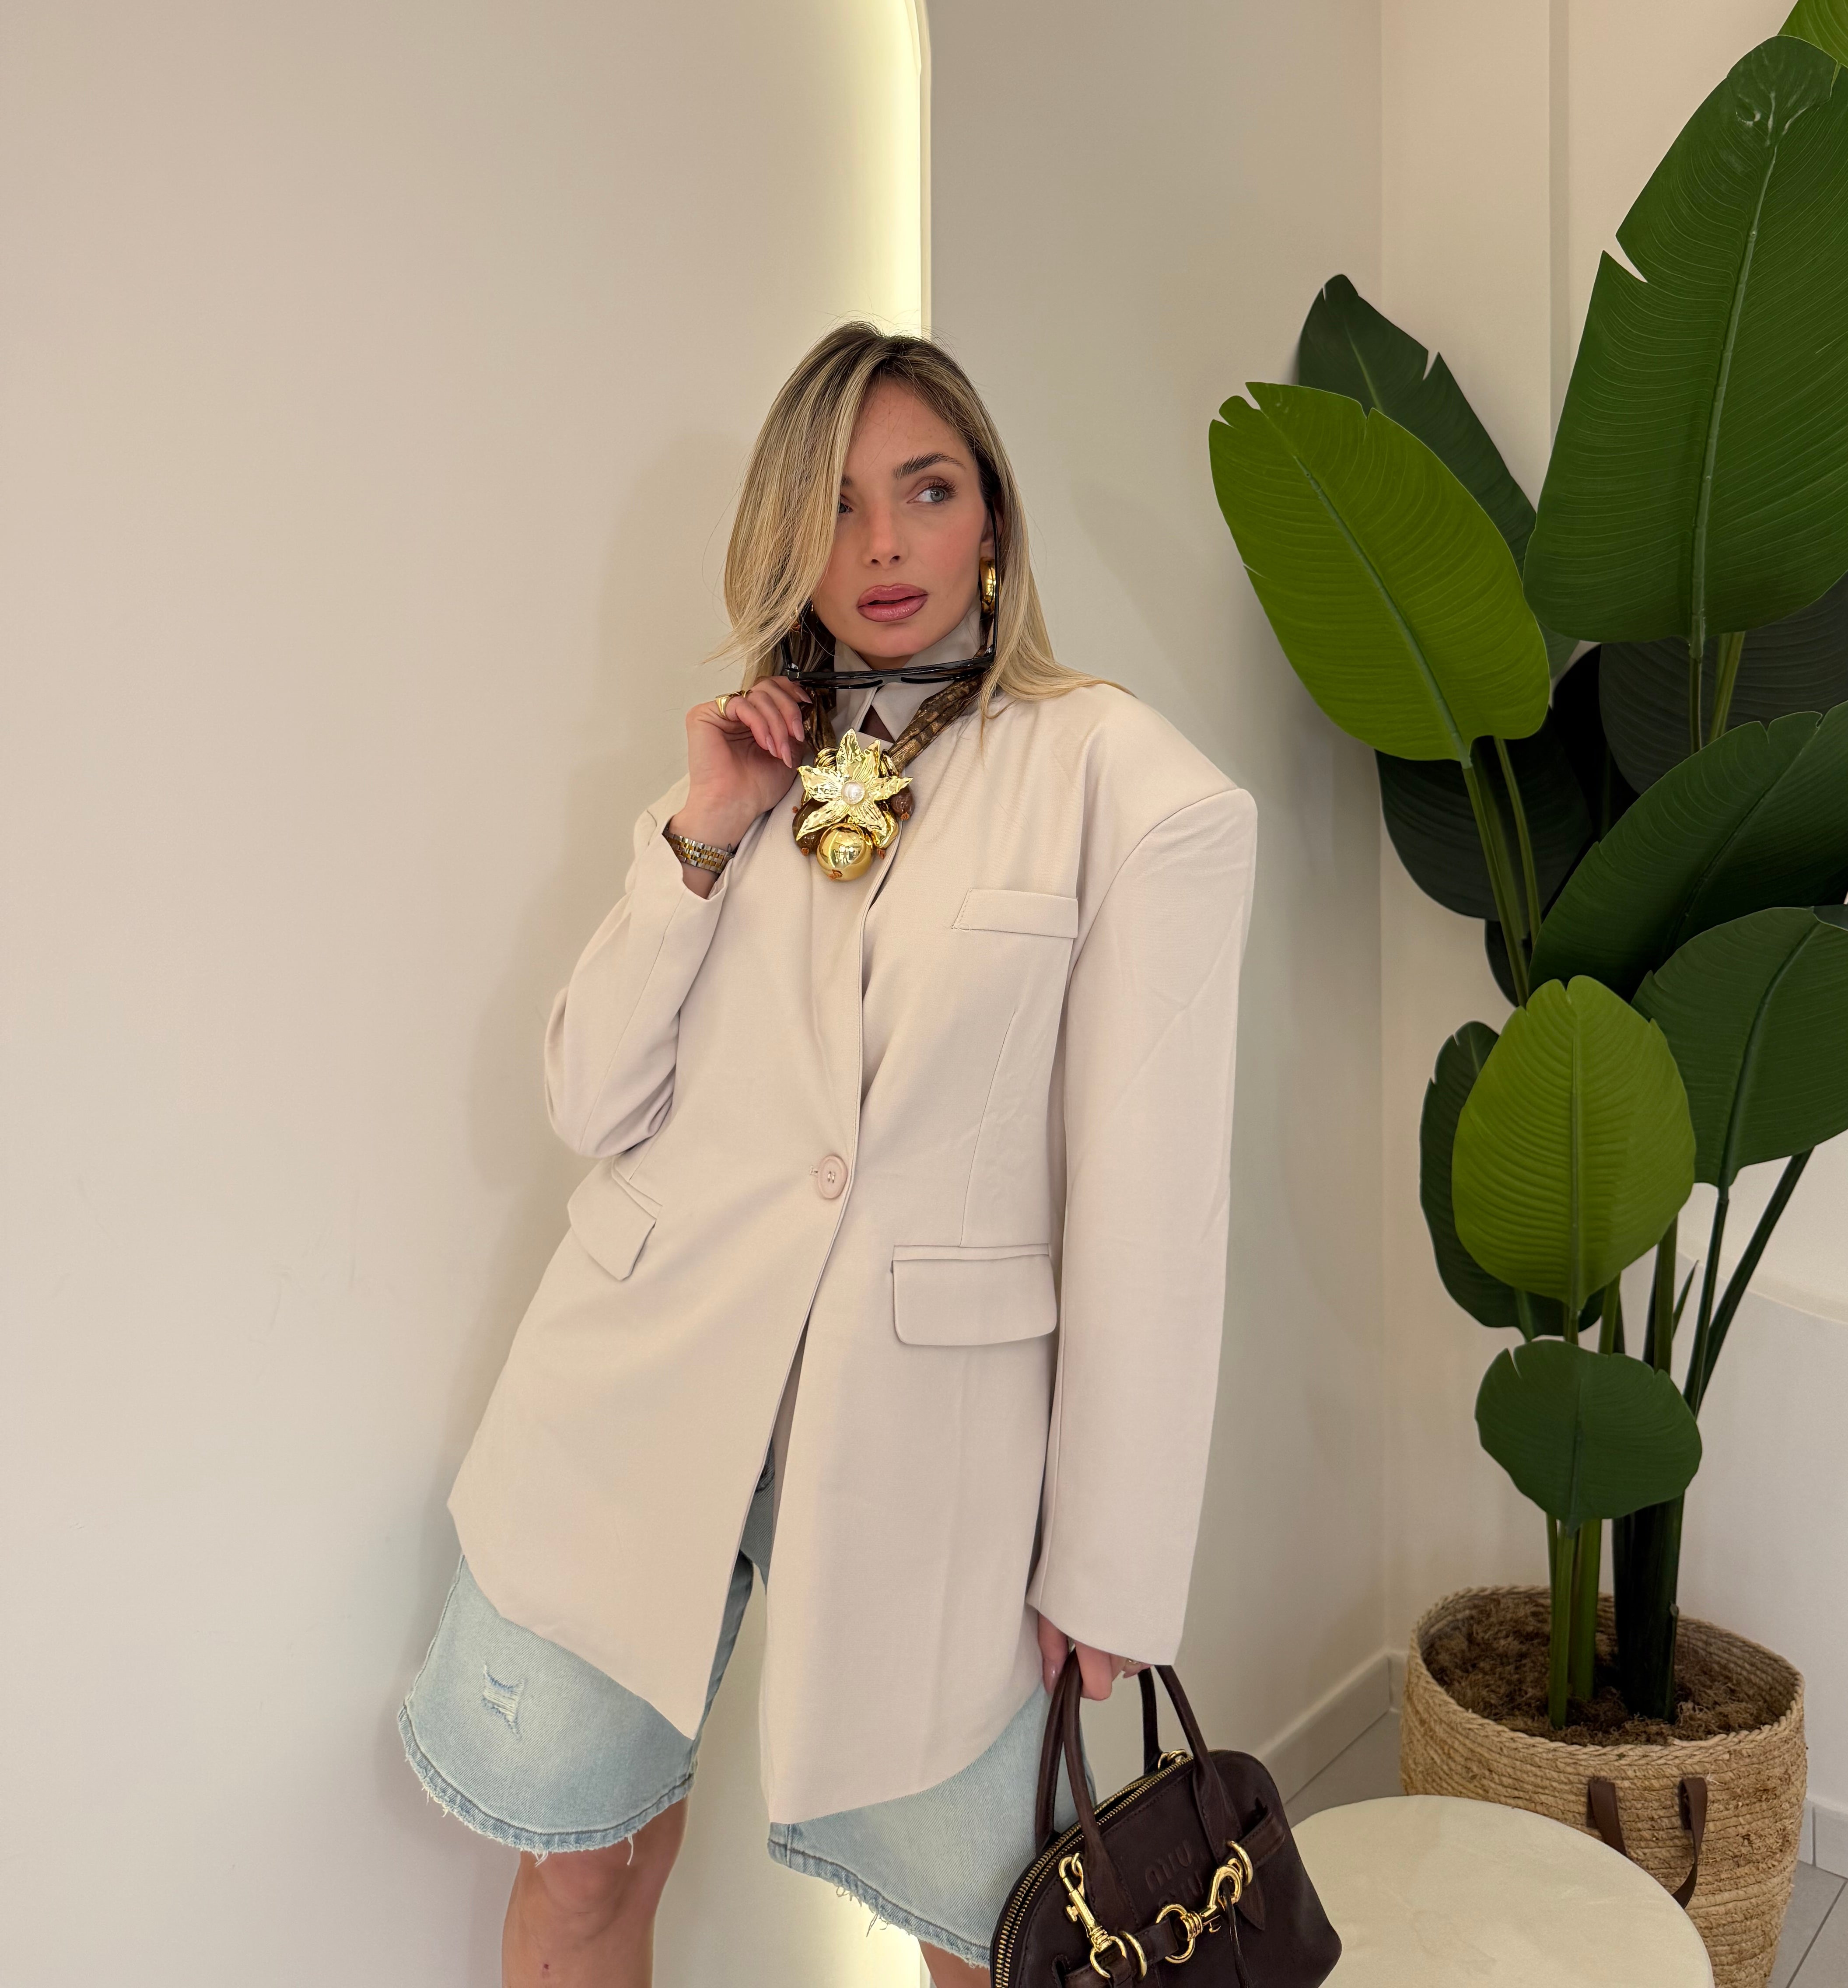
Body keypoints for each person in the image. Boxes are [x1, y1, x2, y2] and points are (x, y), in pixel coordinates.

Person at [399, 322, 1257, 1984]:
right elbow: (591, 1103)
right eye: (838, 504)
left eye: (925, 491)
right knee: (581, 1879)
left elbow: (1156, 1216)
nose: (882, 544)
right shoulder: (746, 761)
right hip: (641, 1394)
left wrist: (1111, 1564)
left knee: (988, 1939)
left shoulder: (1123, 782)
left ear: (991, 515)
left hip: (928, 1455)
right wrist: (699, 836)